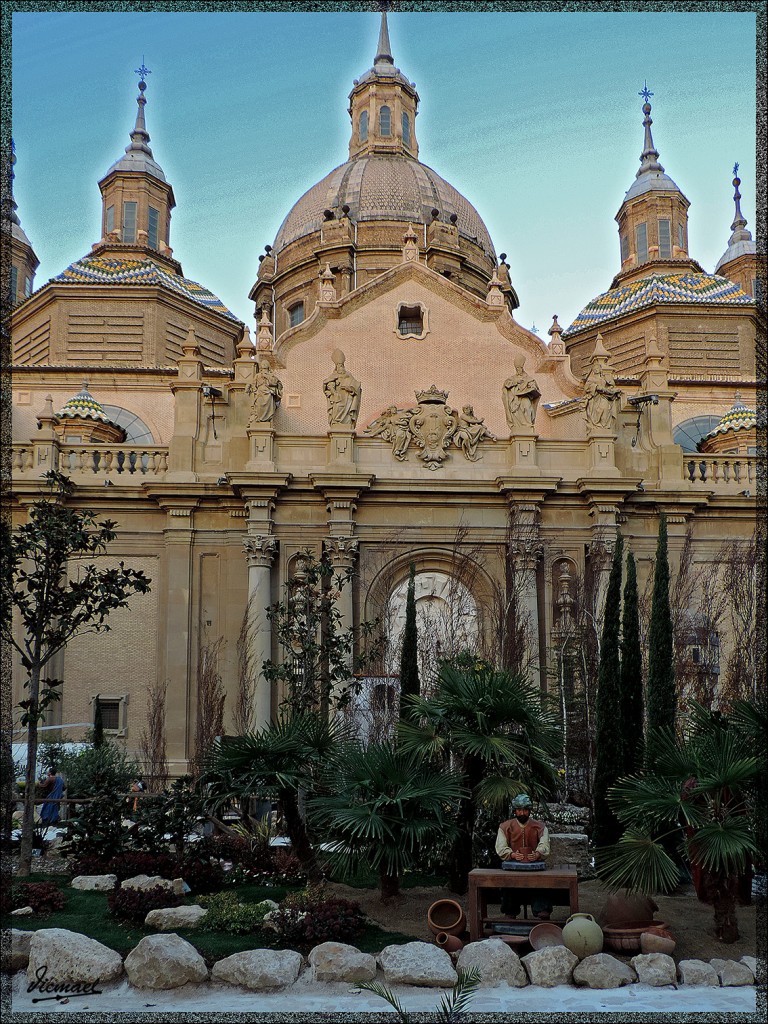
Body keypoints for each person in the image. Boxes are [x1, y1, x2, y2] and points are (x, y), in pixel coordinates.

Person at [496, 792, 553, 919]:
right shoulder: (505, 827)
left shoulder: (540, 827)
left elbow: (544, 844)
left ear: (529, 810)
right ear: (515, 811)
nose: (522, 813)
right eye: (519, 810)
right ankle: (510, 912)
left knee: (540, 884)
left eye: (525, 810)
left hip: (534, 869)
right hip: (512, 869)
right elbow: (500, 847)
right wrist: (512, 854)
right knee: (508, 885)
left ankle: (542, 911)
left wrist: (537, 854)